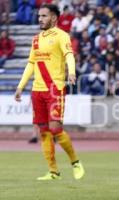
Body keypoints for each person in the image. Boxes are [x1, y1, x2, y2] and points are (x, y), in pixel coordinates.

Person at [14, 4, 85, 180]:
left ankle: (75, 162)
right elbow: (31, 63)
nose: (40, 19)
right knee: (43, 131)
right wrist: (21, 86)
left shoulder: (62, 36)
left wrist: (72, 72)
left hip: (54, 88)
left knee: (55, 128)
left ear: (53, 18)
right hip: (37, 90)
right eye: (39, 16)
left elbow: (69, 54)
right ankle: (53, 171)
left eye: (44, 16)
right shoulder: (36, 39)